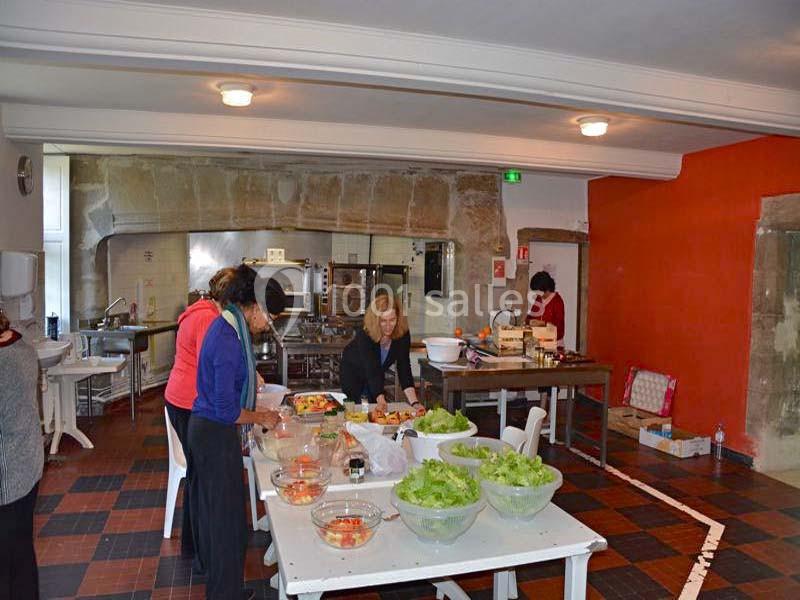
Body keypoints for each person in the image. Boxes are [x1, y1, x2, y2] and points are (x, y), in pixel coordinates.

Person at [188, 265, 286, 600]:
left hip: (211, 433)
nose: (267, 326)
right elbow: (226, 409)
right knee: (226, 528)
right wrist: (262, 417)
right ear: (254, 308)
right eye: (269, 318)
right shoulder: (227, 338)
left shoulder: (229, 329)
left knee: (226, 525)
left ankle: (225, 590)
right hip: (213, 436)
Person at [164, 267, 235, 555]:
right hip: (188, 401)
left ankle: (193, 545)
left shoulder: (200, 311)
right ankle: (199, 547)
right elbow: (215, 368)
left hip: (179, 397)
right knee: (201, 474)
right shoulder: (209, 320)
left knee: (197, 473)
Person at [0, 308, 43, 599]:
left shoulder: (5, 362)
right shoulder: (23, 346)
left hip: (9, 473)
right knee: (21, 552)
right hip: (28, 463)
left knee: (9, 562)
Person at [340, 294, 425, 415]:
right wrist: (381, 399)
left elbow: (404, 367)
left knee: (376, 412)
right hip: (353, 373)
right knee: (359, 414)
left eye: (392, 320)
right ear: (376, 320)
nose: (388, 325)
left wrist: (414, 403)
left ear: (398, 318)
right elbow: (371, 367)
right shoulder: (366, 334)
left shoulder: (402, 333)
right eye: (383, 321)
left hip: (375, 376)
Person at [525, 270, 566, 410]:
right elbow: (530, 317)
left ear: (545, 288)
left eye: (538, 289)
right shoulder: (539, 300)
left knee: (552, 382)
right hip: (539, 345)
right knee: (543, 380)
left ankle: (551, 414)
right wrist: (531, 322)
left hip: (554, 346)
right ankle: (543, 410)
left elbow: (559, 327)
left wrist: (543, 324)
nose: (537, 293)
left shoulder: (557, 301)